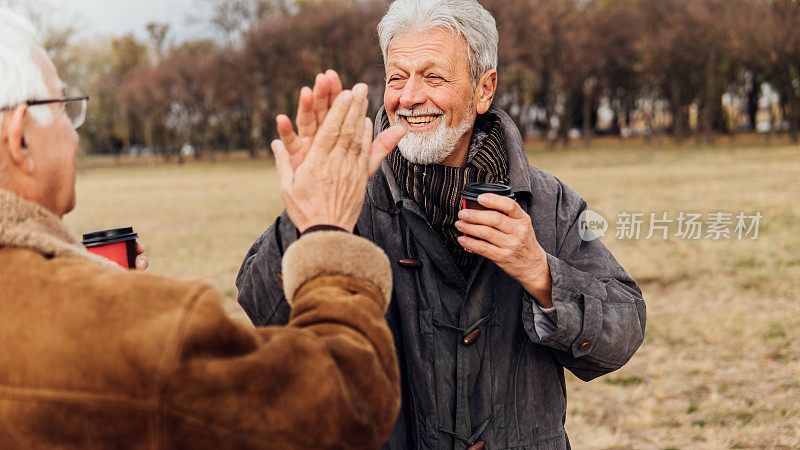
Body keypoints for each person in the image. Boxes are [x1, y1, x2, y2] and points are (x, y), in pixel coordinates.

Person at [238, 1, 647, 448]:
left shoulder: (549, 204)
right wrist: (310, 220)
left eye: (433, 77)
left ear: (483, 89)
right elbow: (263, 312)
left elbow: (622, 334)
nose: (409, 97)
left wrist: (540, 272)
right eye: (397, 77)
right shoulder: (345, 196)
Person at [0, 8, 407, 449]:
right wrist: (327, 229)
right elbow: (342, 409)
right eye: (63, 109)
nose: (75, 134)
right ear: (21, 137)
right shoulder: (132, 328)